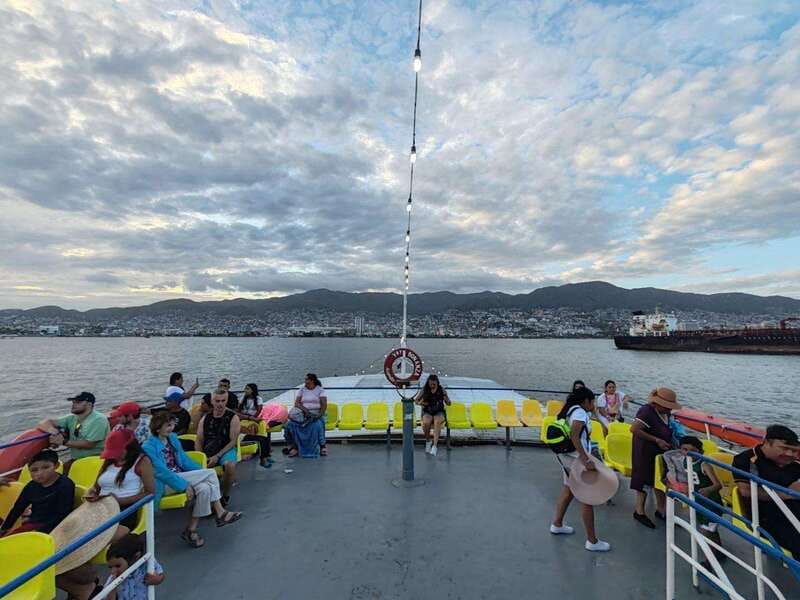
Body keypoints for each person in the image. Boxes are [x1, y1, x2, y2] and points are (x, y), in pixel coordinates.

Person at [142, 411, 242, 549]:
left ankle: (191, 529)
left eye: (172, 425)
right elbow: (160, 472)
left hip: (180, 476)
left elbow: (184, 461)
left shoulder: (172, 439)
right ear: (157, 428)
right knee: (211, 474)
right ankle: (220, 513)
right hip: (165, 484)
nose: (171, 428)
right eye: (167, 425)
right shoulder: (148, 447)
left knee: (205, 488)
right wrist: (184, 485)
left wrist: (200, 471)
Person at [550, 387, 611, 552]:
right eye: (592, 401)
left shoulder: (569, 411)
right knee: (586, 497)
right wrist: (585, 459)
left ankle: (557, 524)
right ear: (585, 401)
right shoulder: (579, 413)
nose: (593, 404)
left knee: (569, 489)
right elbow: (574, 435)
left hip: (567, 456)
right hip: (576, 459)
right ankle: (592, 541)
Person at [732, 424, 800, 558]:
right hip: (766, 517)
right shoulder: (747, 460)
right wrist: (786, 493)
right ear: (767, 443)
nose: (790, 454)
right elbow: (746, 491)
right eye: (784, 448)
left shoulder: (793, 465)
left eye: (794, 450)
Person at [84, 429, 156, 543]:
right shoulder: (109, 461)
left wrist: (120, 501)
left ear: (129, 448)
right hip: (101, 508)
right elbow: (96, 487)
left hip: (125, 510)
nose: (114, 456)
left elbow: (150, 492)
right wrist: (91, 493)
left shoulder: (142, 461)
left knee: (96, 537)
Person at [630, 387, 680, 528]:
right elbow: (634, 429)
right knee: (643, 481)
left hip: (660, 452)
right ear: (659, 404)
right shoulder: (646, 411)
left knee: (659, 481)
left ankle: (661, 510)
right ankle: (639, 511)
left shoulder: (665, 414)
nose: (670, 410)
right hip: (645, 451)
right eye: (668, 407)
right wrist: (656, 440)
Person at [0, 449, 75, 536]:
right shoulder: (31, 486)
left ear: (56, 465)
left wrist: (38, 531)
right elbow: (18, 508)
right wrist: (4, 528)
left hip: (56, 526)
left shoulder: (65, 485)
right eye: (34, 470)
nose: (40, 473)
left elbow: (63, 514)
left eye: (46, 467)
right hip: (35, 522)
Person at [37, 391, 110, 473]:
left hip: (95, 459)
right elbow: (44, 423)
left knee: (60, 474)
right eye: (73, 402)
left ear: (89, 404)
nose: (74, 404)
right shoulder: (72, 418)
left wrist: (63, 441)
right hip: (77, 459)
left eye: (78, 402)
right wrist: (55, 433)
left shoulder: (98, 420)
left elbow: (89, 444)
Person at [196, 388, 241, 505]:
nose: (220, 404)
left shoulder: (233, 417)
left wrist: (217, 456)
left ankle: (224, 495)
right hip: (208, 449)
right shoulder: (205, 419)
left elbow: (233, 441)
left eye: (223, 401)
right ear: (212, 401)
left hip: (226, 449)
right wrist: (201, 457)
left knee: (229, 466)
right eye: (217, 401)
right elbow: (199, 439)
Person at [104, 533, 165, 600]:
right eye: (110, 567)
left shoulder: (146, 563)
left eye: (117, 566)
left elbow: (161, 574)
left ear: (136, 557)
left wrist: (157, 579)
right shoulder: (113, 579)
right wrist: (113, 588)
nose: (113, 571)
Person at [284, 373, 327, 458]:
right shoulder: (302, 390)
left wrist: (319, 415)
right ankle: (294, 447)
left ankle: (322, 446)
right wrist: (305, 410)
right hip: (302, 412)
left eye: (307, 379)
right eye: (305, 379)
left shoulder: (320, 390)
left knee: (317, 425)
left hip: (316, 413)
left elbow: (324, 405)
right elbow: (296, 403)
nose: (305, 381)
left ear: (312, 380)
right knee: (289, 425)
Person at [236, 383, 273, 468]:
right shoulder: (243, 398)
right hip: (244, 420)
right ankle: (260, 456)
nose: (245, 390)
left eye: (247, 389)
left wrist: (251, 418)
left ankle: (266, 456)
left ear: (252, 390)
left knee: (265, 438)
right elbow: (239, 411)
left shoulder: (258, 399)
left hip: (253, 418)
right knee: (260, 438)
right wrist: (246, 417)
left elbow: (258, 411)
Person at [414, 374, 450, 457]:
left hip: (439, 411)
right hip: (428, 411)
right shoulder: (425, 390)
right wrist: (421, 403)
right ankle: (428, 441)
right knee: (426, 422)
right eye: (431, 384)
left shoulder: (441, 390)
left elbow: (449, 403)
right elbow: (416, 401)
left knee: (437, 422)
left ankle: (434, 446)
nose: (432, 386)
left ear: (437, 383)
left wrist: (446, 396)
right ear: (428, 383)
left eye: (434, 384)